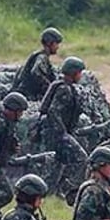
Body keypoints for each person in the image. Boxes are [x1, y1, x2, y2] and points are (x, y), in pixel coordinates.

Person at [38, 56, 88, 200]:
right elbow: (53, 112)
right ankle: (70, 189)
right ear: (73, 73)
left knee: (58, 164)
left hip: (56, 133)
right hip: (57, 134)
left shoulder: (65, 87)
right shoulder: (64, 89)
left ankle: (49, 192)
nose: (81, 75)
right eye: (79, 72)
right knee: (82, 159)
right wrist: (63, 134)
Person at [0, 92, 29, 213]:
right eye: (19, 111)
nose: (21, 115)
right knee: (6, 194)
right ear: (12, 110)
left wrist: (13, 147)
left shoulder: (9, 123)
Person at [12, 27, 63, 100]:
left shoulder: (41, 56)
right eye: (56, 43)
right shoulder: (42, 57)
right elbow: (36, 72)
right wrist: (50, 90)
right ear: (49, 43)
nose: (58, 47)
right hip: (28, 96)